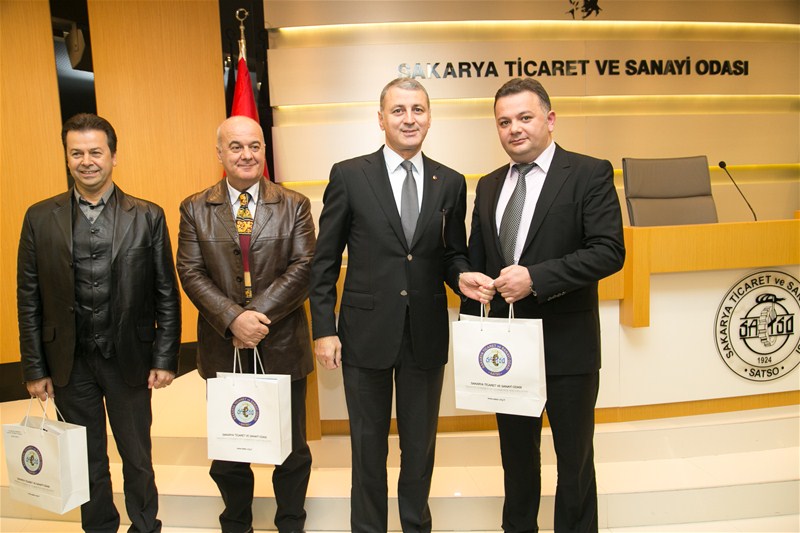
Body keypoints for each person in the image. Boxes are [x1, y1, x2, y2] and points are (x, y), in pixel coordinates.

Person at [310, 77, 494, 533]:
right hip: (364, 333)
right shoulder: (349, 175)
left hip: (425, 334)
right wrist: (324, 329)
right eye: (398, 110)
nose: (409, 119)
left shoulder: (450, 182)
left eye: (418, 110)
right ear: (381, 119)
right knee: (367, 447)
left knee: (419, 448)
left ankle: (416, 526)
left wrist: (462, 275)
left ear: (429, 118)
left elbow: (451, 254)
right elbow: (325, 260)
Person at [464, 77, 625, 532]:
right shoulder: (489, 185)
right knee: (516, 462)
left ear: (550, 120)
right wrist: (470, 281)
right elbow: (478, 257)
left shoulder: (589, 173)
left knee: (574, 464)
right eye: (504, 122)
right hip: (506, 352)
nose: (514, 128)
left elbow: (608, 251)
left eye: (524, 117)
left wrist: (536, 278)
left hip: (567, 347)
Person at [17, 113, 181, 533]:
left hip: (130, 357)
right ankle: (99, 527)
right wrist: (35, 367)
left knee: (137, 456)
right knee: (85, 457)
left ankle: (145, 525)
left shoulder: (147, 215)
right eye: (77, 153)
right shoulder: (39, 217)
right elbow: (29, 297)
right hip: (69, 361)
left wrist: (164, 358)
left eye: (95, 152)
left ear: (113, 156)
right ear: (66, 157)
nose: (87, 161)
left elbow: (166, 292)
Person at [176, 115, 315, 533]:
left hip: (282, 342)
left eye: (254, 146)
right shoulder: (194, 208)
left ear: (264, 151)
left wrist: (256, 318)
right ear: (219, 152)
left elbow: (304, 267)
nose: (246, 154)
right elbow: (190, 271)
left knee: (291, 449)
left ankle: (291, 523)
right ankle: (237, 524)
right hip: (223, 347)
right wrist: (233, 319)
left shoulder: (294, 205)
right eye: (235, 146)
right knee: (230, 450)